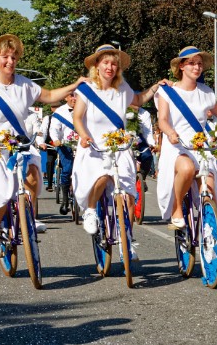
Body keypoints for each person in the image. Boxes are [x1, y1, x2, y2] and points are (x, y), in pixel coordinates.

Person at [0, 34, 86, 260]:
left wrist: (75, 84)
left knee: (33, 173)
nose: (10, 61)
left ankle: (27, 217)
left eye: (14, 57)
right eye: (5, 57)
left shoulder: (24, 84)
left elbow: (50, 95)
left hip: (18, 140)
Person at [73, 44, 166, 261]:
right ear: (97, 65)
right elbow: (77, 118)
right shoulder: (86, 89)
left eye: (114, 63)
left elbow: (139, 100)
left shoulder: (122, 88)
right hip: (94, 146)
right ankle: (90, 209)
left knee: (128, 195)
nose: (110, 67)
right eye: (106, 62)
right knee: (102, 175)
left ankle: (128, 240)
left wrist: (156, 87)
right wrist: (84, 135)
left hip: (119, 146)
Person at [156, 46, 217, 229]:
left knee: (209, 190)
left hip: (200, 146)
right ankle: (177, 208)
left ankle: (208, 232)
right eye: (191, 63)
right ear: (181, 67)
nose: (196, 67)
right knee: (186, 169)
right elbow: (162, 120)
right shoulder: (167, 91)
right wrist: (170, 133)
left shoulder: (207, 92)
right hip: (177, 144)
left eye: (199, 64)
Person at [49, 93, 77, 215]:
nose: (74, 98)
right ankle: (65, 199)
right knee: (68, 169)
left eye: (77, 96)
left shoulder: (88, 108)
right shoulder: (60, 112)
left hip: (83, 145)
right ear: (66, 97)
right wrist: (55, 139)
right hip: (65, 145)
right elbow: (54, 129)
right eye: (71, 95)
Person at [39, 103, 60, 192]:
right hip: (51, 144)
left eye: (58, 107)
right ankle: (50, 184)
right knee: (50, 162)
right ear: (51, 108)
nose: (56, 109)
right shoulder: (48, 118)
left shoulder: (68, 117)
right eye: (54, 107)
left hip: (64, 144)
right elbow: (42, 131)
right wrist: (41, 143)